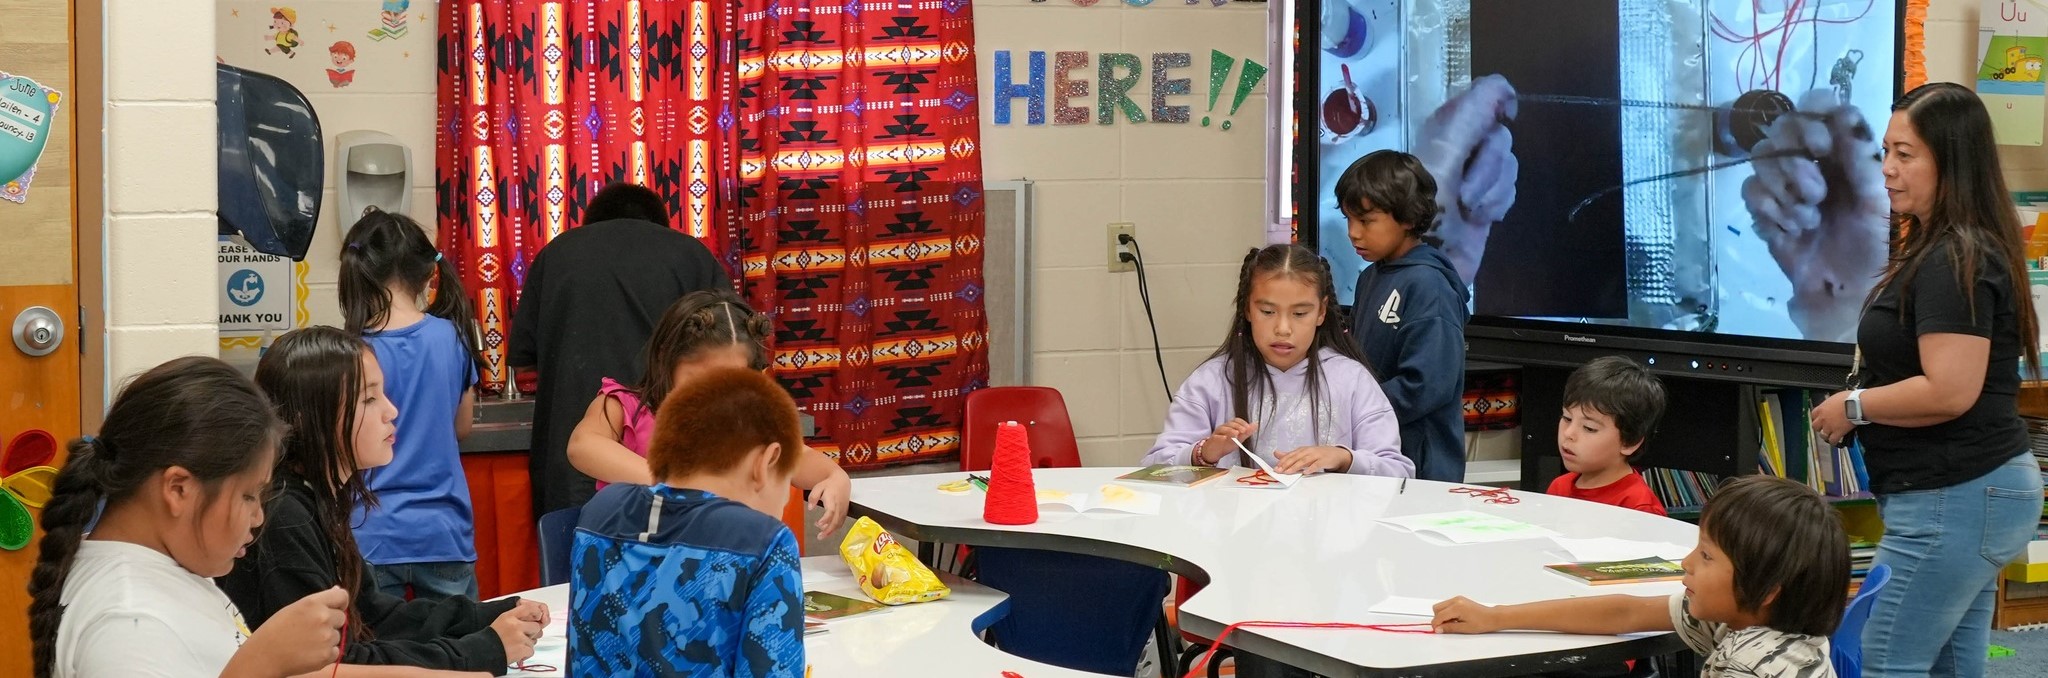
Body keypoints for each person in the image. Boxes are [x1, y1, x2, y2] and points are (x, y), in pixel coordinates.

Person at [26, 357, 479, 678]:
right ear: (178, 489)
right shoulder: (128, 625)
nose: (260, 516)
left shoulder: (170, 568)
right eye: (248, 496)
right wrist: (262, 663)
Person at [1805, 82, 2046, 678]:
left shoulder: (1954, 258)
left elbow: (1949, 390)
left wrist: (1853, 407)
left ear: (1952, 161)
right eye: (1884, 152)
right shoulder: (1949, 249)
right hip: (1968, 492)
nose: (1887, 169)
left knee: (1885, 659)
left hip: (1957, 494)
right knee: (1951, 666)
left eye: (1905, 155)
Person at [221, 327, 548, 673]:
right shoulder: (286, 515)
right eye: (369, 399)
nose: (391, 411)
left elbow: (375, 614)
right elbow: (340, 663)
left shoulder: (319, 497)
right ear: (310, 417)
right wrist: (483, 649)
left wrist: (488, 615)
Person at [1432, 475, 1848, 677]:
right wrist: (1495, 616)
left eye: (1705, 555)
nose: (1686, 562)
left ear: (1767, 589)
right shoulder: (1749, 618)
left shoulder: (1750, 667)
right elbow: (1625, 613)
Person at [510, 182, 732, 516]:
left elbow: (525, 360)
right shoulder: (691, 254)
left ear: (593, 221)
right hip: (669, 451)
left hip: (572, 450)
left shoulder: (556, 254)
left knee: (579, 554)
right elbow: (731, 343)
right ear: (659, 221)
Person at [569, 367, 805, 675]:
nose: (786, 500)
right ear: (766, 461)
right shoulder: (763, 541)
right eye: (788, 481)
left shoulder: (600, 512)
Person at [565, 289, 851, 539]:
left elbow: (799, 458)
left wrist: (835, 477)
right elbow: (583, 446)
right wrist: (679, 485)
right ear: (667, 358)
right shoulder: (623, 406)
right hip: (632, 568)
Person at [1142, 244, 1410, 478]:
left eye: (1300, 313)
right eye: (1268, 311)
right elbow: (1153, 468)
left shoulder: (1352, 380)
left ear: (1321, 312)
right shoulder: (1211, 381)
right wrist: (1204, 453)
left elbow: (1399, 472)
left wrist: (1343, 458)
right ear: (1247, 308)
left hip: (1326, 531)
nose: (1283, 328)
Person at [339, 208, 485, 601]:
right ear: (427, 273)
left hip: (368, 532)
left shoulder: (349, 351)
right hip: (442, 529)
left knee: (375, 656)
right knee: (455, 653)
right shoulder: (452, 337)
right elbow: (462, 428)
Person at [1341, 149, 1471, 482]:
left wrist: (1355, 410)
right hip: (1376, 451)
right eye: (1348, 219)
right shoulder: (1370, 277)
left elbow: (1426, 386)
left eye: (1366, 221)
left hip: (1422, 466)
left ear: (1409, 218)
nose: (1353, 232)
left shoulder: (1430, 285)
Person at [1546, 356, 1668, 516]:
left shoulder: (1640, 508)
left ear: (1630, 442)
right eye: (1567, 418)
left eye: (1589, 428)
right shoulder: (1559, 487)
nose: (1568, 433)